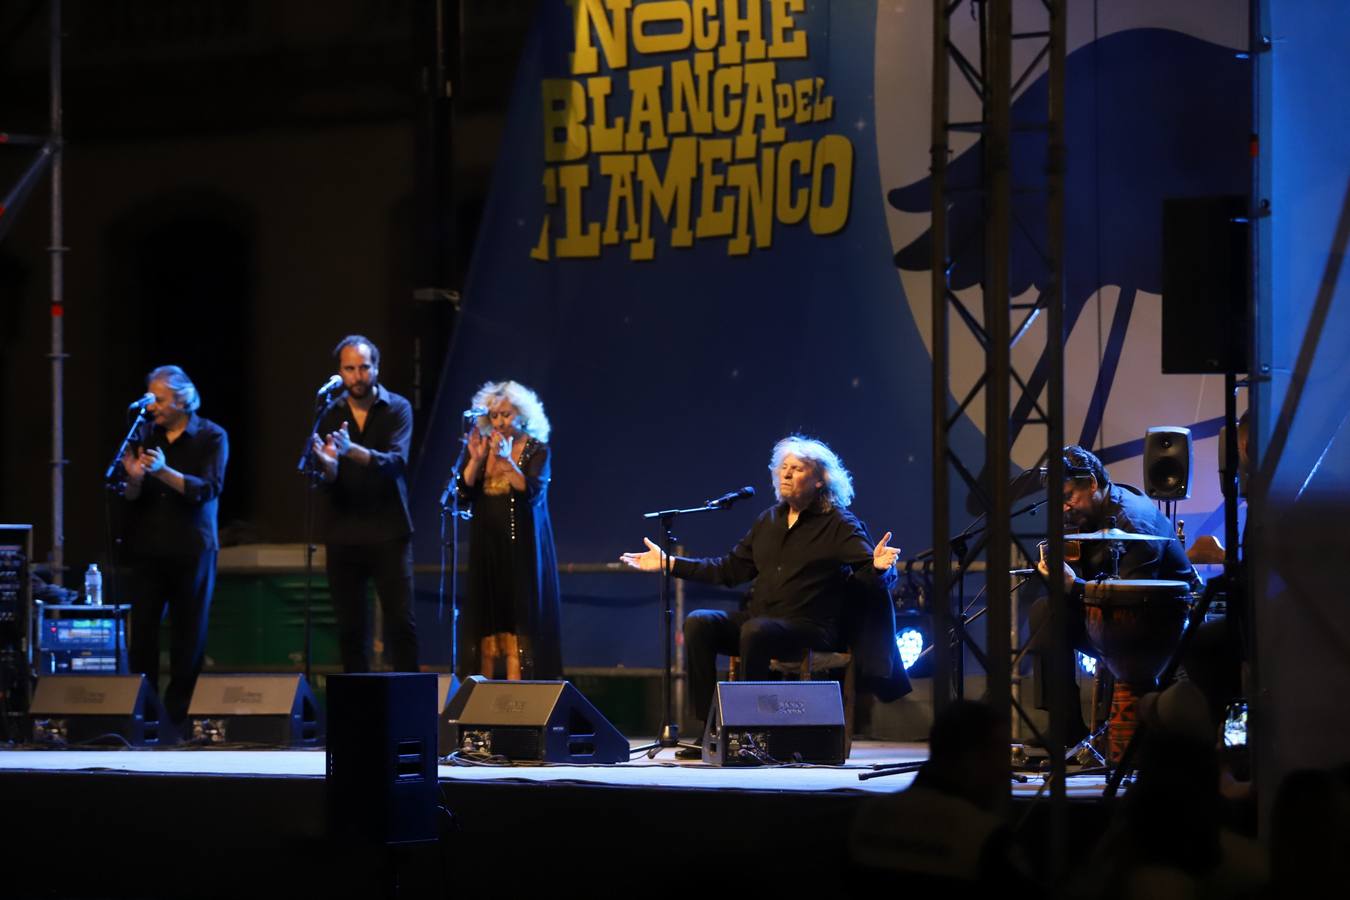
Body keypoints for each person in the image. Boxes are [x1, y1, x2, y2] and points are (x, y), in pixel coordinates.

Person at [620, 434, 900, 740]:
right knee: (700, 621)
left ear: (820, 480)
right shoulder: (768, 521)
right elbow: (728, 570)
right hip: (761, 621)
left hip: (810, 626)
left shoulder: (839, 523)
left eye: (798, 468)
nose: (787, 473)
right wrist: (670, 563)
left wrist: (878, 566)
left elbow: (869, 575)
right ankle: (710, 729)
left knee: (756, 630)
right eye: (783, 468)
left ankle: (748, 732)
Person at [1028, 444, 1200, 741]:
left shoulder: (1134, 521)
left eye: (1068, 497)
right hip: (1125, 616)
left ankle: (1121, 732)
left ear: (1093, 483)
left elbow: (1131, 604)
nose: (1063, 508)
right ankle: (1065, 725)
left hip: (1163, 629)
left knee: (1061, 611)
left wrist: (1075, 588)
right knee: (1045, 611)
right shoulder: (1089, 513)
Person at [121, 365, 228, 726]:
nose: (152, 407)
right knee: (143, 636)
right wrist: (134, 481)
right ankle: (145, 714)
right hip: (149, 546)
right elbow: (131, 495)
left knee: (188, 636)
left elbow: (208, 489)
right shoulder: (144, 433)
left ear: (182, 399)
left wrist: (164, 471)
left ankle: (179, 718)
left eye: (159, 399)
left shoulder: (211, 436)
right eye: (149, 398)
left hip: (192, 547)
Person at [849, 701, 1038, 896]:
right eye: (1000, 755)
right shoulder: (982, 835)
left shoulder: (869, 816)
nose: (1006, 771)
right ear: (972, 757)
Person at [310, 335, 418, 673]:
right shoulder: (328, 411)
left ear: (376, 368)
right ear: (339, 371)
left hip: (388, 529)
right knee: (350, 628)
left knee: (401, 622)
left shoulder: (397, 407)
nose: (357, 375)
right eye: (349, 368)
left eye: (364, 367)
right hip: (342, 531)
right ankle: (358, 711)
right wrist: (327, 463)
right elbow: (327, 476)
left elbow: (395, 463)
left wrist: (350, 451)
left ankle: (411, 706)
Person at [455, 380, 561, 680]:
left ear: (521, 414)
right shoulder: (481, 445)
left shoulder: (536, 450)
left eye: (506, 414)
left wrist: (505, 461)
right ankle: (479, 704)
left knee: (519, 620)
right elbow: (463, 493)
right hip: (486, 546)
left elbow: (532, 492)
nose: (500, 421)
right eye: (495, 415)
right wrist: (476, 460)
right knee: (486, 622)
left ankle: (520, 702)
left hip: (521, 548)